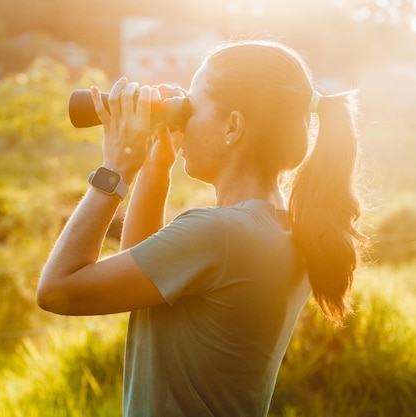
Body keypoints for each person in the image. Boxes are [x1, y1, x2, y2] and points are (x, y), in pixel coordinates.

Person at [36, 39, 366, 417]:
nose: (182, 120)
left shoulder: (219, 235)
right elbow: (143, 282)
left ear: (233, 126)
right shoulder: (283, 230)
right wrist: (155, 168)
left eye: (190, 107)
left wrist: (116, 170)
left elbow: (57, 289)